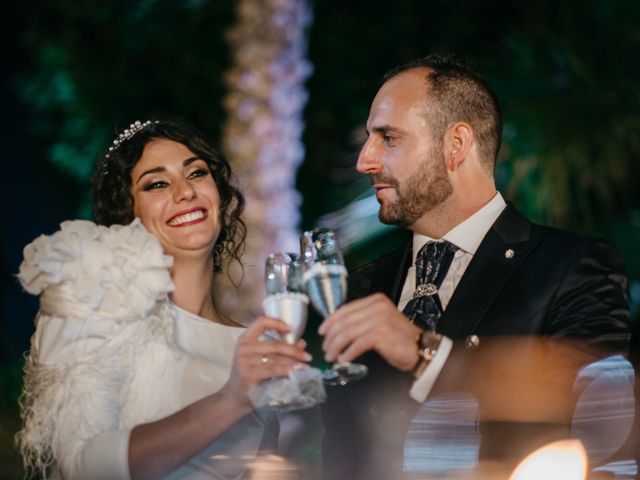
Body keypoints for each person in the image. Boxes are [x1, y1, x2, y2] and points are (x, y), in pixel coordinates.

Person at [319, 54, 632, 479]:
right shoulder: (361, 287)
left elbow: (596, 421)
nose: (365, 161)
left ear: (457, 144)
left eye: (388, 138)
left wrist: (425, 354)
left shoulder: (574, 266)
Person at [16, 118, 312, 479]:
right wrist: (230, 400)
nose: (185, 192)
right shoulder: (94, 309)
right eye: (157, 183)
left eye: (197, 173)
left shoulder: (253, 347)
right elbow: (82, 468)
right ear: (129, 214)